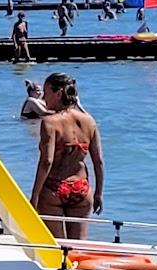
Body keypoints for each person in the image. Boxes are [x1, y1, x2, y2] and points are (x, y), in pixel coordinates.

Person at [30, 72, 103, 240]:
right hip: (81, 188)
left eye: (46, 93)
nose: (43, 98)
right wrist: (98, 192)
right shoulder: (89, 121)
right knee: (78, 247)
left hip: (54, 188)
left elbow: (46, 162)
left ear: (58, 93)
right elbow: (98, 161)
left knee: (56, 246)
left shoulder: (50, 122)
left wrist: (35, 195)